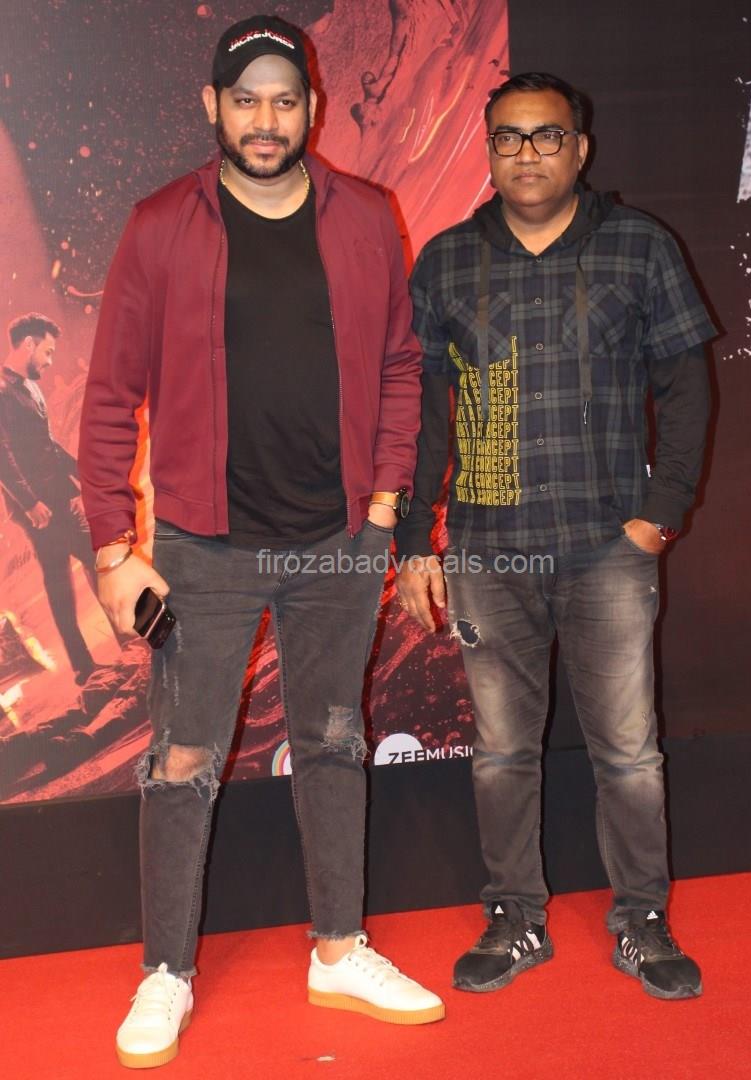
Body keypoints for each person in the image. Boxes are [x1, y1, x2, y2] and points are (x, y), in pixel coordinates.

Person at [78, 14, 444, 1069]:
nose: (267, 119)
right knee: (181, 762)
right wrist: (113, 548)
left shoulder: (365, 215)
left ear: (313, 108)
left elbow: (400, 365)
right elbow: (110, 396)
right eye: (246, 100)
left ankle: (338, 948)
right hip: (203, 547)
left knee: (332, 740)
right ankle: (165, 970)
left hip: (339, 541)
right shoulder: (160, 224)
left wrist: (383, 507)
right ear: (214, 108)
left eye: (285, 100)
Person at [396, 72, 714, 1001]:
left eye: (545, 136)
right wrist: (416, 538)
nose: (526, 154)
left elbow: (686, 387)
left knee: (628, 751)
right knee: (501, 751)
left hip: (608, 548)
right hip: (487, 551)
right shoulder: (446, 262)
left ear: (580, 149)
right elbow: (424, 416)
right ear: (488, 150)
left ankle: (641, 921)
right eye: (507, 137)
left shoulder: (639, 246)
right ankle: (514, 918)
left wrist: (662, 510)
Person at [0, 313, 106, 684]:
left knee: (88, 566)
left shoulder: (30, 387)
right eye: (47, 351)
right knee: (73, 574)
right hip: (40, 509)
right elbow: (2, 455)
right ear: (28, 344)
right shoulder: (1, 390)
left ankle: (91, 662)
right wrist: (29, 503)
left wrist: (83, 475)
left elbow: (47, 444)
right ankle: (88, 666)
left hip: (54, 499)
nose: (50, 360)